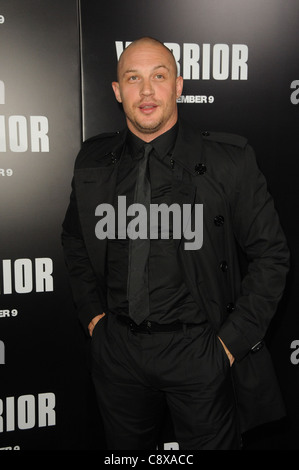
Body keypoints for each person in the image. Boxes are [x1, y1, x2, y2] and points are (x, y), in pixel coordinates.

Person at [61, 37, 289, 450]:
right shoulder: (92, 161)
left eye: (159, 76)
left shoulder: (229, 161)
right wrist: (94, 317)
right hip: (119, 353)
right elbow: (75, 241)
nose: (146, 91)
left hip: (199, 350)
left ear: (179, 86)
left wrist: (228, 346)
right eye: (133, 78)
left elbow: (271, 256)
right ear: (117, 91)